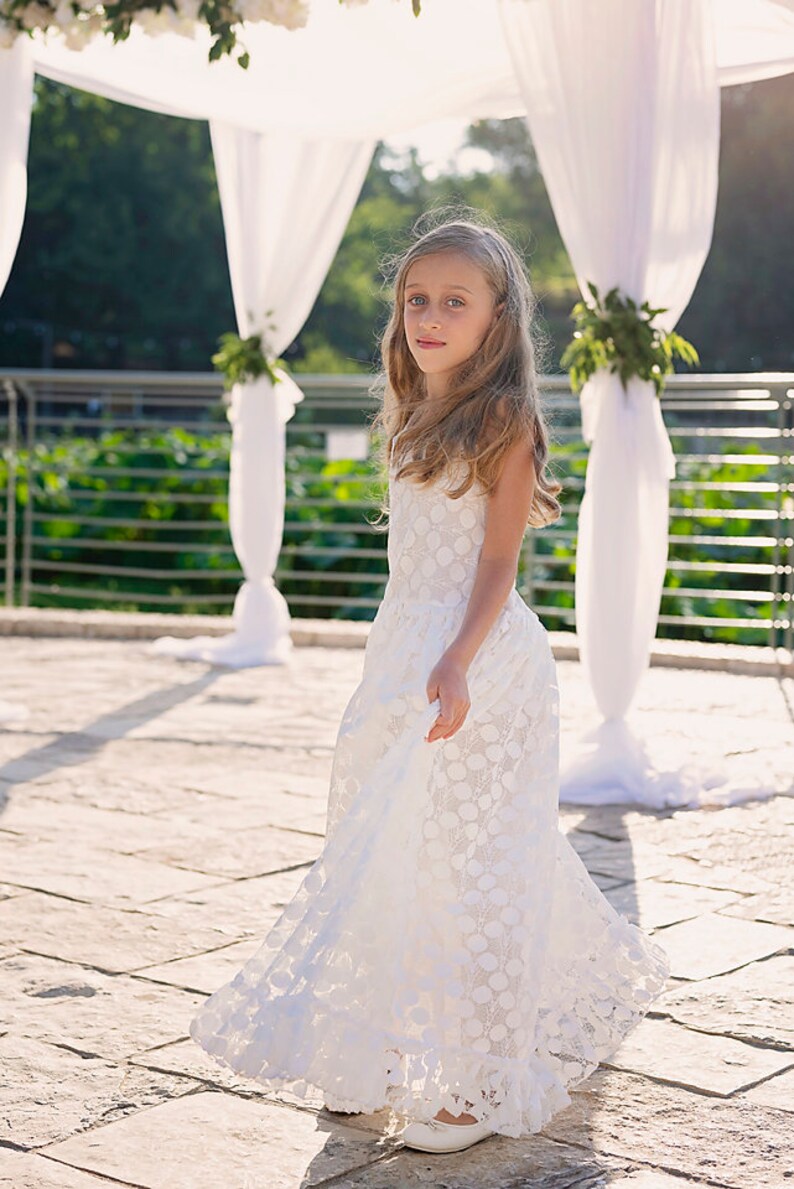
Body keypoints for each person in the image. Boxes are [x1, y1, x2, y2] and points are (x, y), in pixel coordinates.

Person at [188, 212, 670, 1155]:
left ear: (497, 319)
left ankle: (478, 1087)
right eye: (418, 299)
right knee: (382, 856)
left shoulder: (504, 423)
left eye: (457, 301)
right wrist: (407, 662)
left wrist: (455, 659)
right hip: (402, 656)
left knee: (477, 870)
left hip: (479, 663)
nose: (432, 316)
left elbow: (496, 564)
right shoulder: (412, 411)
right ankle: (376, 1057)